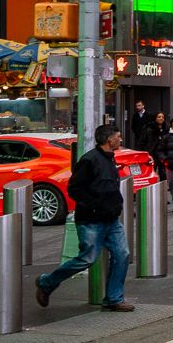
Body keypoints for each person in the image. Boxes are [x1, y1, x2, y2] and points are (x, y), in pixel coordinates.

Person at [36, 123, 135, 311]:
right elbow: (74, 189)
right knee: (86, 259)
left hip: (111, 219)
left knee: (122, 254)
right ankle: (46, 282)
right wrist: (95, 207)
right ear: (109, 140)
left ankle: (114, 298)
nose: (121, 140)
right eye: (118, 136)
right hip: (91, 220)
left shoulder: (109, 159)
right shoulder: (89, 160)